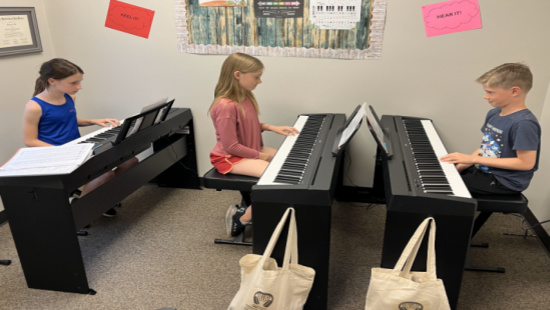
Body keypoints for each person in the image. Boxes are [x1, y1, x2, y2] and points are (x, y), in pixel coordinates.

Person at [23, 58, 138, 216]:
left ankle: (98, 199)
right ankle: (79, 210)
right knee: (107, 173)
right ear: (52, 81)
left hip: (77, 149)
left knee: (130, 161)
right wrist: (63, 151)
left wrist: (93, 121)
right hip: (55, 155)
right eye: (74, 83)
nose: (79, 87)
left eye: (80, 82)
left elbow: (65, 120)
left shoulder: (69, 97)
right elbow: (30, 140)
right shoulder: (34, 106)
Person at [209, 52, 299, 237]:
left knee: (288, 160)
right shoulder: (226, 106)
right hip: (230, 157)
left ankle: (268, 210)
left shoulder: (245, 97)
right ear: (237, 75)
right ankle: (241, 218)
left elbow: (246, 125)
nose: (259, 81)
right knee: (277, 178)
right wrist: (263, 156)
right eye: (256, 77)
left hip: (249, 150)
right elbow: (231, 146)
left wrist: (271, 127)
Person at [440, 63, 541, 194]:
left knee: (444, 188)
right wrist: (461, 166)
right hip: (484, 169)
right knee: (441, 171)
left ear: (514, 91)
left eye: (490, 92)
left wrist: (473, 159)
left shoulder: (524, 123)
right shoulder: (494, 113)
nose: (485, 96)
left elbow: (526, 163)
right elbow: (485, 146)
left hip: (505, 181)